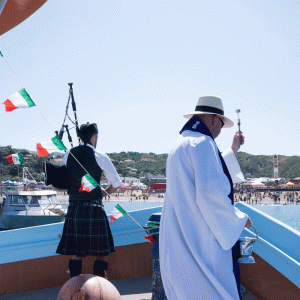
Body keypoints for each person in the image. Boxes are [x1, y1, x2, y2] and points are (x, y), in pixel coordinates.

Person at [159, 96, 252, 300]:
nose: (219, 131)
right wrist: (238, 218)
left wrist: (233, 149)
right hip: (199, 240)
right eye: (220, 124)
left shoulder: (180, 143)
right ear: (213, 119)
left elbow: (203, 175)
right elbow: (210, 193)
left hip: (179, 236)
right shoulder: (204, 143)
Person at [56, 123, 121, 279]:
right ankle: (99, 279)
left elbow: (61, 180)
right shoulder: (100, 155)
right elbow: (117, 183)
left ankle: (74, 284)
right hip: (95, 208)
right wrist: (104, 193)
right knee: (104, 251)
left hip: (75, 208)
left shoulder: (68, 154)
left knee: (76, 251)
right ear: (94, 137)